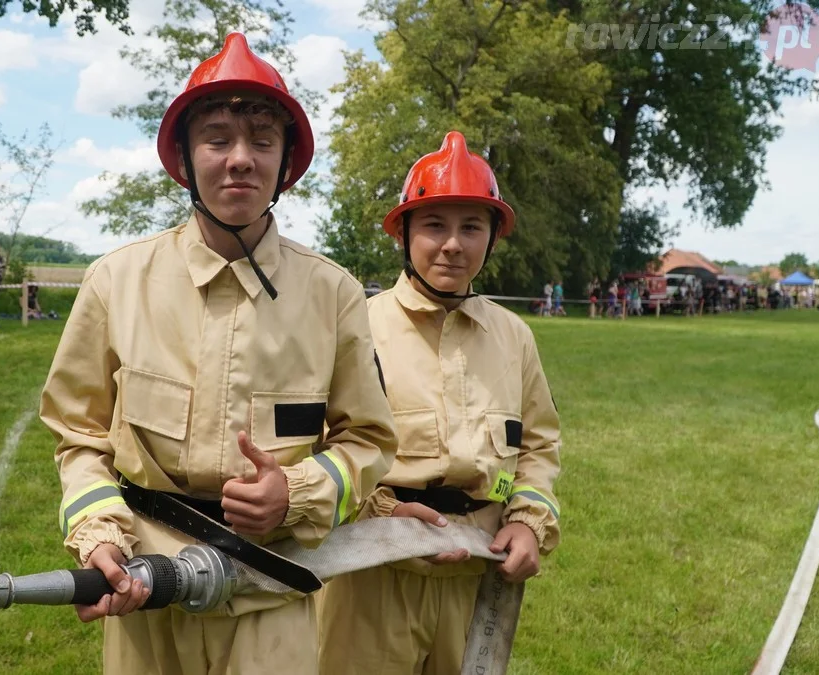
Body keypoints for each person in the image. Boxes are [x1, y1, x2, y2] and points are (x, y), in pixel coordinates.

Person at [39, 32, 398, 675]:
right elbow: (78, 434)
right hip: (144, 594)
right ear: (185, 157)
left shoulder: (334, 293)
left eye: (263, 141)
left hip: (269, 591)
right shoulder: (116, 282)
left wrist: (295, 491)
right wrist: (100, 535)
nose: (240, 159)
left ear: (285, 165)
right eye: (218, 137)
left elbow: (369, 441)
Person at [316, 131, 562, 675]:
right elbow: (316, 446)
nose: (453, 244)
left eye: (471, 227)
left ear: (492, 239)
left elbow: (539, 447)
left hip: (478, 575)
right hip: (372, 574)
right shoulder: (356, 326)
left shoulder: (514, 337)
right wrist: (384, 517)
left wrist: (527, 522)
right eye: (434, 225)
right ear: (402, 232)